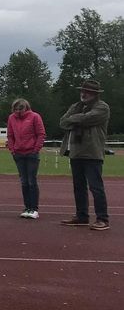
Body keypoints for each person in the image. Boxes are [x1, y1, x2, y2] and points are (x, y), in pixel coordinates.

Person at [59, 80, 110, 230]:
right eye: (82, 91)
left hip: (93, 153)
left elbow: (87, 119)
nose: (83, 93)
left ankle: (102, 219)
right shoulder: (76, 106)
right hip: (75, 152)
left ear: (95, 94)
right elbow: (63, 122)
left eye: (87, 91)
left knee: (96, 187)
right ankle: (82, 216)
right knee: (78, 187)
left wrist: (74, 119)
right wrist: (76, 119)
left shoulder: (102, 107)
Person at [7, 98, 46, 220]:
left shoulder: (35, 117)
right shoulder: (11, 118)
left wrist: (36, 149)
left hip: (31, 153)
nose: (18, 112)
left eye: (21, 109)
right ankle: (27, 207)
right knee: (24, 181)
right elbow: (10, 135)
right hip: (18, 153)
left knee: (31, 181)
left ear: (26, 108)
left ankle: (34, 208)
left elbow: (41, 134)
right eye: (16, 109)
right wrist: (12, 150)